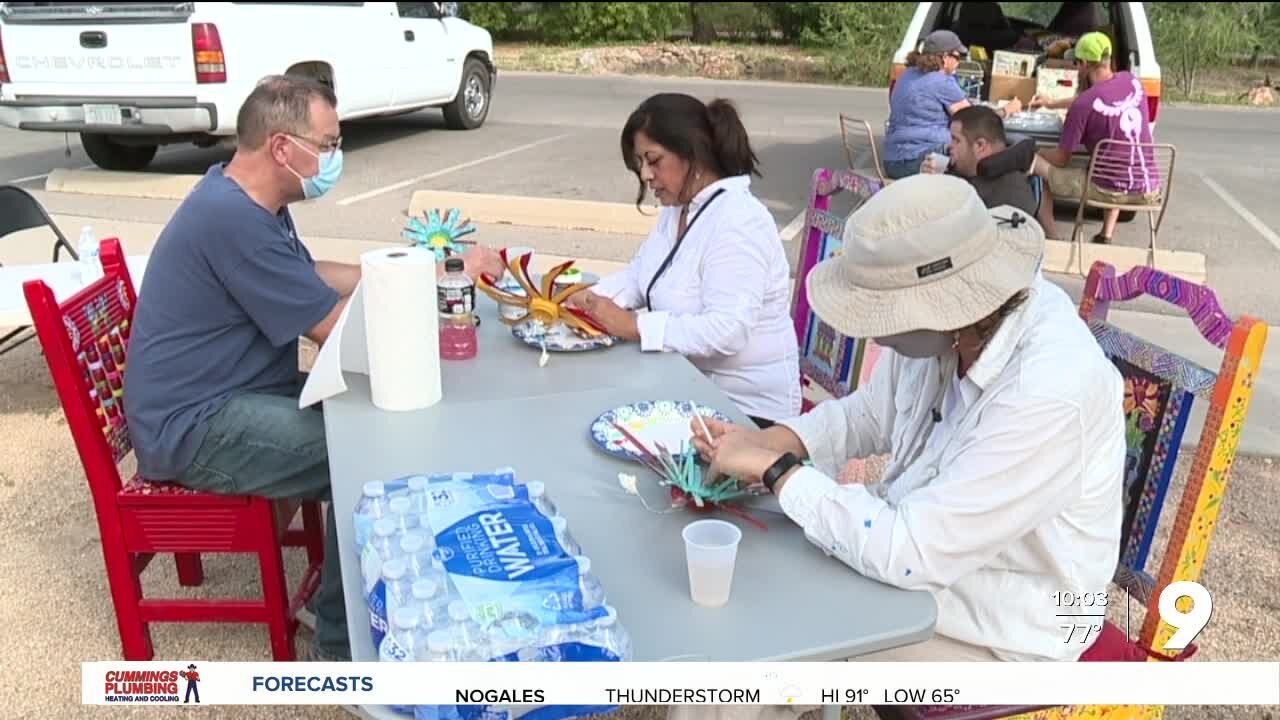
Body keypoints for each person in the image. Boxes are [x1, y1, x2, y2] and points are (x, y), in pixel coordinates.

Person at [122, 74, 505, 662]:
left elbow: (315, 275)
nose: (335, 157)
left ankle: (358, 602)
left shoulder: (242, 198)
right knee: (366, 450)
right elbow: (334, 327)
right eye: (327, 145)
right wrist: (432, 294)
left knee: (373, 423)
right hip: (195, 426)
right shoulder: (234, 221)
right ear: (282, 147)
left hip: (233, 394)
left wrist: (431, 267)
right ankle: (340, 641)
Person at [692, 175, 1126, 667]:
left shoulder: (1046, 392)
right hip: (937, 571)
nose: (874, 334)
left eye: (882, 315)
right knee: (753, 579)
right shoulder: (964, 325)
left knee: (754, 643)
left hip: (1015, 628)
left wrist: (778, 470)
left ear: (944, 308)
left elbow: (911, 552)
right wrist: (770, 439)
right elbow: (870, 413)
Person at [568, 93, 800, 428]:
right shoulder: (680, 208)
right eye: (640, 163)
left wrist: (634, 326)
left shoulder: (738, 220)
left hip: (747, 415)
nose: (646, 175)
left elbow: (727, 331)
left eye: (654, 160)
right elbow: (639, 276)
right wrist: (583, 299)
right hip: (690, 387)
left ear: (692, 153)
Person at [1030, 31, 1159, 244]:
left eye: (1076, 63)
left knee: (1036, 163)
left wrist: (1038, 151)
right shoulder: (1133, 82)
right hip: (1148, 188)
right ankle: (1105, 236)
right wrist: (1051, 103)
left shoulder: (1083, 105)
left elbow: (1062, 158)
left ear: (1083, 64)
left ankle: (1053, 237)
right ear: (1108, 60)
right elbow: (1099, 98)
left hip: (1105, 190)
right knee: (1116, 163)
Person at [883, 30, 1022, 180]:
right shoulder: (942, 81)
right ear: (943, 57)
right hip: (920, 162)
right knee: (978, 144)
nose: (959, 62)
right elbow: (976, 120)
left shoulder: (907, 74)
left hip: (891, 161)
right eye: (957, 56)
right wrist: (1007, 109)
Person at [923, 104, 1060, 238]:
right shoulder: (957, 172)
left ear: (980, 145)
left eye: (956, 140)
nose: (949, 146)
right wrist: (927, 184)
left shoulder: (1011, 192)